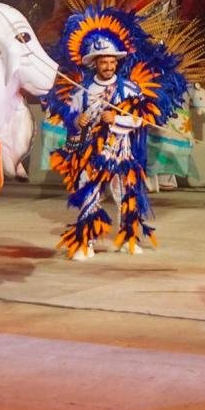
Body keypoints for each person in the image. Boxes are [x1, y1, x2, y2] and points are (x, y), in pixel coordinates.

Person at [54, 38, 147, 259]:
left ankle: (128, 238)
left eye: (111, 62)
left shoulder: (130, 89)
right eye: (103, 62)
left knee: (125, 195)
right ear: (95, 63)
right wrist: (78, 121)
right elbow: (68, 118)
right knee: (90, 194)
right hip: (90, 153)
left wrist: (117, 118)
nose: (108, 67)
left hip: (120, 151)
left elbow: (141, 120)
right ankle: (86, 241)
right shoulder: (81, 90)